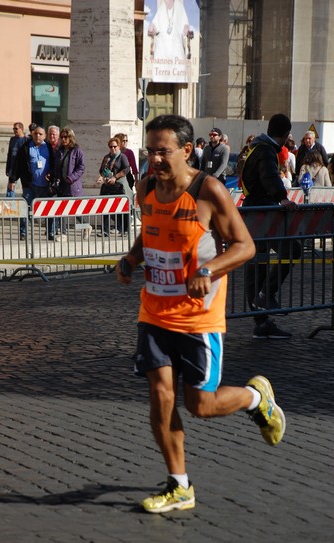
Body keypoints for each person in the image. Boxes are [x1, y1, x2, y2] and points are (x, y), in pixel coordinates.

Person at [116, 113, 286, 514]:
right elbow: (151, 229)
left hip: (198, 319)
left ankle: (254, 397)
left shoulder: (208, 191)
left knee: (201, 406)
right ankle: (179, 485)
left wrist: (208, 271)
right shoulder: (146, 189)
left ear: (187, 150)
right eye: (150, 151)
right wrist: (131, 256)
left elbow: (245, 247)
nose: (155, 159)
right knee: (160, 396)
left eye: (163, 151)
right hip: (155, 312)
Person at [241, 113, 301, 339]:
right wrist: (282, 197)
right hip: (262, 212)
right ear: (285, 135)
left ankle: (261, 320)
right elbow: (269, 176)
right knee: (291, 249)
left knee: (258, 264)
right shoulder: (266, 151)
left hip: (254, 212)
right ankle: (266, 296)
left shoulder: (257, 148)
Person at [12, 125, 55, 240]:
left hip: (45, 185)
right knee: (26, 209)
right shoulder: (26, 147)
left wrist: (51, 174)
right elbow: (18, 164)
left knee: (49, 210)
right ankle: (23, 232)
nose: (37, 136)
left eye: (40, 134)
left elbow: (54, 164)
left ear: (44, 135)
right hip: (30, 185)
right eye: (35, 134)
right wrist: (13, 179)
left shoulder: (49, 147)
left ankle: (51, 232)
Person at [55, 128, 90, 238]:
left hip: (72, 185)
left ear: (71, 138)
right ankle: (63, 233)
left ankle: (86, 226)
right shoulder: (60, 150)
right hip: (62, 184)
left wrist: (72, 177)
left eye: (66, 137)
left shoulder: (77, 150)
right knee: (62, 209)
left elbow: (81, 167)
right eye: (62, 137)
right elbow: (56, 166)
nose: (64, 139)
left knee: (75, 209)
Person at [147, 0, 192, 83]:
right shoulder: (161, 7)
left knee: (178, 74)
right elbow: (155, 26)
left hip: (176, 48)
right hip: (162, 49)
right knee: (159, 75)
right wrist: (152, 28)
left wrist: (186, 27)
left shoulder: (179, 6)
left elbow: (185, 25)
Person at [96, 136, 133, 236]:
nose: (113, 149)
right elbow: (102, 170)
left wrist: (115, 177)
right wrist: (101, 177)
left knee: (122, 208)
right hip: (108, 185)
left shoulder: (122, 157)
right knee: (105, 207)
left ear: (119, 147)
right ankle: (105, 230)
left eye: (115, 147)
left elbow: (126, 169)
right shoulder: (106, 158)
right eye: (111, 147)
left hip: (119, 186)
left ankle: (124, 229)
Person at [6, 122, 26, 198]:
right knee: (10, 190)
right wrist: (7, 168)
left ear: (21, 129)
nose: (14, 130)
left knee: (26, 189)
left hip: (22, 168)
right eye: (13, 129)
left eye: (16, 129)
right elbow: (9, 154)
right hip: (13, 168)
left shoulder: (25, 140)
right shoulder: (12, 139)